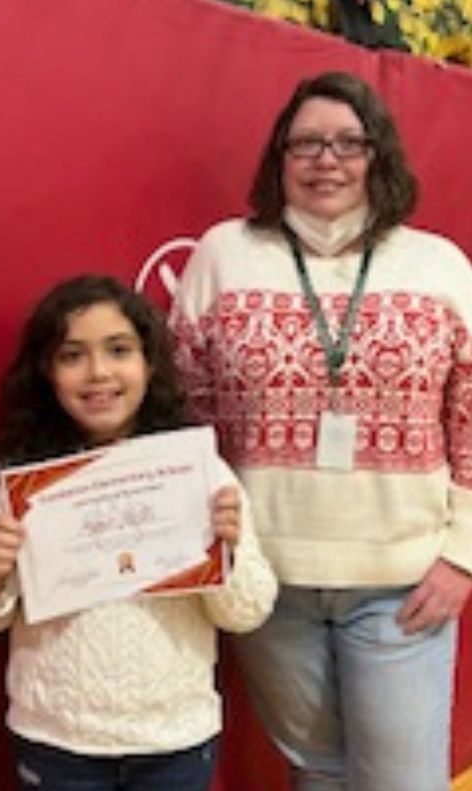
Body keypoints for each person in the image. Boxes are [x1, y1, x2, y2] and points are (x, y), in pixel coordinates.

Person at [170, 71, 472, 790]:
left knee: (402, 781)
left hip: (400, 581)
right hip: (269, 579)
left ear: (380, 155)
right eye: (305, 143)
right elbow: (185, 407)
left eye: (348, 142)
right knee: (320, 774)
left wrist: (463, 554)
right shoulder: (224, 253)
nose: (326, 160)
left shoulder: (440, 267)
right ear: (279, 158)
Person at [0, 275, 276, 791]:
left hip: (174, 739)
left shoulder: (199, 473)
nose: (98, 372)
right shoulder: (20, 481)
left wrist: (228, 553)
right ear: (47, 373)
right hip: (58, 741)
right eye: (72, 355)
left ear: (148, 364)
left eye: (118, 350)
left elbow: (250, 609)